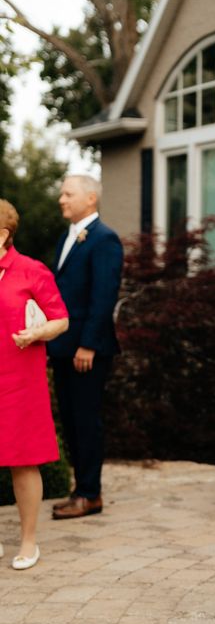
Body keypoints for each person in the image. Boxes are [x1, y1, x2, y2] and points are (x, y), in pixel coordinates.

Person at [48, 170, 124, 520]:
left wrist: (89, 345)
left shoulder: (104, 239)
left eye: (68, 194)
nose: (61, 199)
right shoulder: (69, 237)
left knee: (85, 419)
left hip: (86, 349)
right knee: (70, 419)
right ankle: (79, 488)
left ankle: (90, 493)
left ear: (90, 198)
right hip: (63, 346)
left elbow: (103, 295)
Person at [0, 199, 69, 569]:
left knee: (22, 462)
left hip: (18, 380)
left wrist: (36, 332)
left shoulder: (31, 271)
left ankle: (28, 542)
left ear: (3, 235)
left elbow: (61, 319)